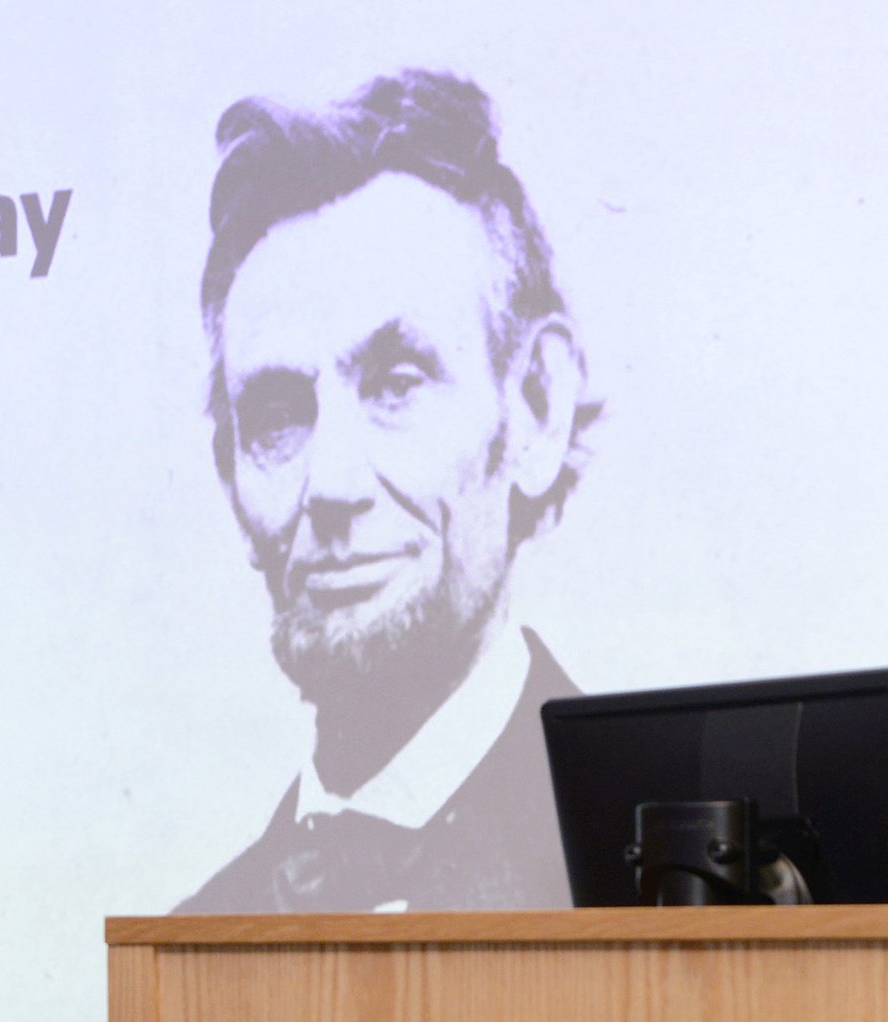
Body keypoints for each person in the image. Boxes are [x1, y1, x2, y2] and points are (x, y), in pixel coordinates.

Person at [174, 69, 601, 913]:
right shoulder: (190, 945)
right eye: (278, 416)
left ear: (536, 409)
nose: (329, 485)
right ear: (229, 475)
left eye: (395, 384)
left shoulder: (669, 883)